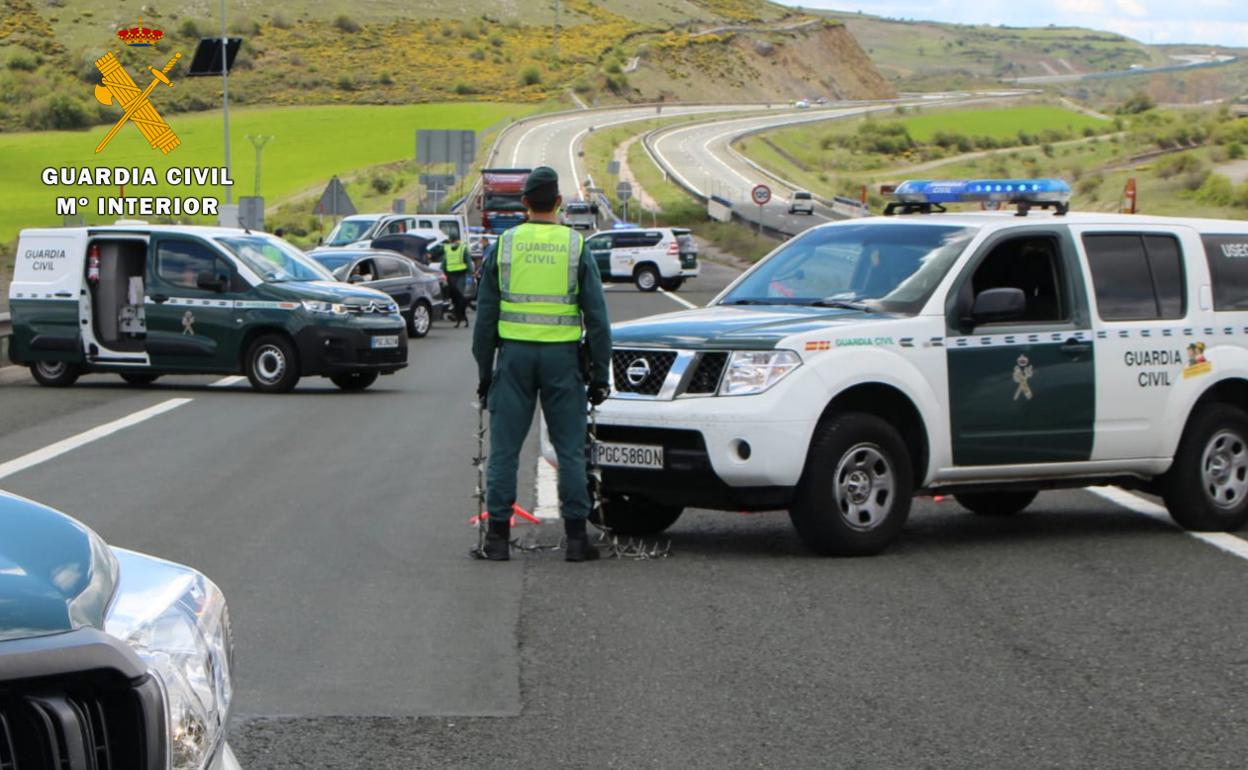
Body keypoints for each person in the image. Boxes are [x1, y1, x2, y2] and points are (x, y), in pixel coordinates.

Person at [472, 166, 612, 563]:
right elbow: (598, 319)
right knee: (569, 450)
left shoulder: (506, 245)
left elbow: (484, 321)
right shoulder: (575, 246)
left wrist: (486, 374)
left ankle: (497, 539)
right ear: (558, 203)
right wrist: (600, 374)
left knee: (504, 451)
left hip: (513, 359)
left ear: (523, 204)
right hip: (562, 361)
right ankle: (577, 540)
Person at [442, 232, 471, 328]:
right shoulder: (447, 248)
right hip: (451, 275)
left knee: (459, 295)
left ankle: (457, 315)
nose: (453, 242)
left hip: (461, 274)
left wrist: (470, 274)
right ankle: (457, 314)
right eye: (452, 240)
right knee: (454, 296)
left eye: (454, 240)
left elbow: (468, 261)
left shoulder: (463, 248)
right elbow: (444, 261)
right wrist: (443, 272)